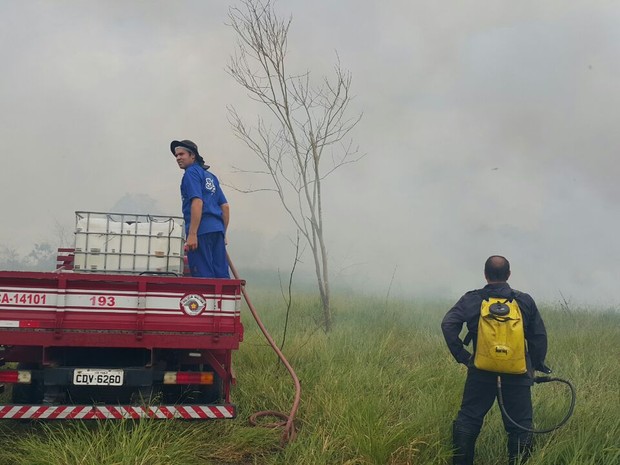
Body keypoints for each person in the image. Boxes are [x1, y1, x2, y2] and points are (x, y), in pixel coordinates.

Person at [441, 255, 549, 465]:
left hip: (480, 371)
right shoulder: (524, 301)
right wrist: (533, 366)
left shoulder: (471, 299)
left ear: (485, 274)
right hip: (517, 374)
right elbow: (539, 337)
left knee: (468, 420)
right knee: (520, 427)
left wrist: (464, 357)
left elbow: (448, 324)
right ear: (508, 275)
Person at [171, 139, 230, 278]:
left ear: (193, 155)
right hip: (217, 231)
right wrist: (223, 233)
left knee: (203, 277)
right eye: (176, 155)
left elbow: (197, 202)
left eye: (181, 154)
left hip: (201, 233)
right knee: (221, 276)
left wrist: (192, 234)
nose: (178, 158)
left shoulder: (191, 173)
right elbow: (225, 207)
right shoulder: (210, 176)